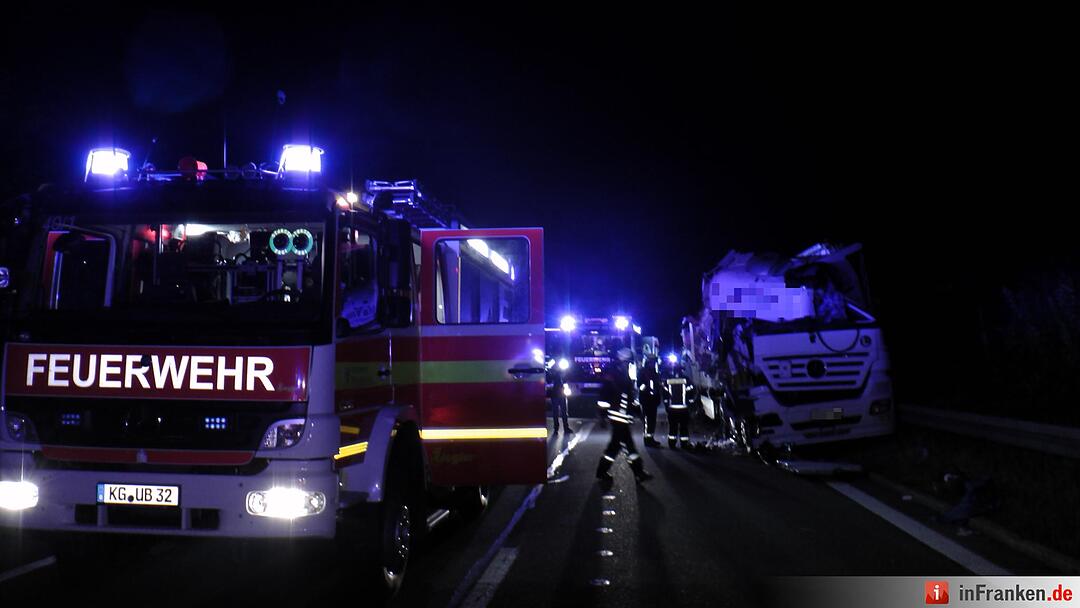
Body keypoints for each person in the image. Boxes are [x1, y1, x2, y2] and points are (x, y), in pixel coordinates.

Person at [596, 349, 653, 484]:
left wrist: (637, 411)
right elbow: (604, 398)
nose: (629, 365)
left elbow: (629, 398)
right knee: (621, 447)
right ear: (622, 361)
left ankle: (635, 472)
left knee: (620, 446)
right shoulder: (613, 376)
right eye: (628, 362)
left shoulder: (621, 375)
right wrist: (603, 416)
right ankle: (636, 473)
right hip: (618, 417)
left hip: (622, 417)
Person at [638, 355, 662, 447]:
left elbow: (657, 384)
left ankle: (651, 438)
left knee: (652, 420)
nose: (654, 364)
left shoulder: (654, 372)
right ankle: (647, 440)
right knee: (648, 421)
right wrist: (648, 390)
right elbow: (640, 385)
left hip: (653, 400)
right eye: (653, 362)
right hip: (646, 400)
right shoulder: (642, 372)